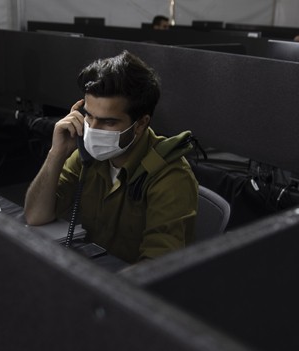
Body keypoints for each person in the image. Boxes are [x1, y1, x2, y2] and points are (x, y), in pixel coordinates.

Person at [24, 50, 198, 265]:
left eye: (108, 122)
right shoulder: (86, 156)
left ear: (141, 124)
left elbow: (155, 269)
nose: (93, 130)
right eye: (88, 116)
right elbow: (36, 216)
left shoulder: (170, 176)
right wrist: (56, 153)